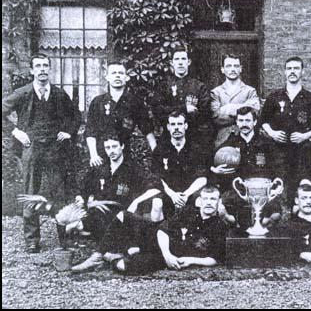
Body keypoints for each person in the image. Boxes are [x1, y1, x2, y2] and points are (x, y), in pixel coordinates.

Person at [2, 53, 81, 253]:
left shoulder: (58, 94)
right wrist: (16, 132)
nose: (42, 69)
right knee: (30, 192)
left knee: (59, 193)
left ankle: (65, 238)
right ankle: (32, 240)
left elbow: (75, 115)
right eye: (38, 66)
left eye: (45, 66)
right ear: (32, 70)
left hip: (55, 149)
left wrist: (68, 131)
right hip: (31, 147)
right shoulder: (23, 93)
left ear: (49, 69)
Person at [74, 185, 228, 275]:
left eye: (213, 199)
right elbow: (162, 230)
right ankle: (97, 256)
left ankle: (111, 257)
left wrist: (190, 260)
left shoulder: (220, 226)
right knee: (122, 215)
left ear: (219, 202)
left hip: (165, 258)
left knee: (123, 267)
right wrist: (167, 254)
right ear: (200, 201)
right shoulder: (188, 211)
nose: (209, 203)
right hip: (158, 242)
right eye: (206, 199)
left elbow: (214, 259)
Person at [211, 107, 281, 231]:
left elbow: (278, 166)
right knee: (228, 212)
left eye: (248, 120)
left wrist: (276, 185)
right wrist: (215, 169)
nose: (244, 124)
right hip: (237, 190)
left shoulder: (266, 143)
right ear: (237, 122)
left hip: (262, 190)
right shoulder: (230, 144)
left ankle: (262, 225)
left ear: (254, 122)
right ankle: (235, 223)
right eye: (241, 120)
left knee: (275, 214)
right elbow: (213, 161)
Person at [259, 56, 311, 198]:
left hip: (302, 150)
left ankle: (295, 213)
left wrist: (304, 136)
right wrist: (272, 133)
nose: (292, 72)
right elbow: (263, 121)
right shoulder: (274, 97)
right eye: (289, 69)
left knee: (299, 183)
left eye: (296, 68)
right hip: (277, 150)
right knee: (279, 183)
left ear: (302, 72)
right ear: (285, 72)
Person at [76, 132, 153, 243]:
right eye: (108, 147)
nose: (111, 151)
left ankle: (106, 251)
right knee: (72, 224)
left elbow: (151, 185)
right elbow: (83, 188)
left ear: (122, 146)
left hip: (122, 213)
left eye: (114, 146)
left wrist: (136, 202)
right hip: (98, 213)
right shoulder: (100, 169)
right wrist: (80, 197)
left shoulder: (132, 169)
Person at [85, 61, 156, 167]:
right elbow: (90, 132)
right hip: (101, 157)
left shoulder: (135, 102)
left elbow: (148, 130)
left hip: (125, 155)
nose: (117, 75)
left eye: (121, 73)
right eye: (113, 73)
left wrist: (157, 154)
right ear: (107, 77)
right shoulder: (97, 102)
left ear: (126, 77)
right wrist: (94, 155)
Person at [151, 46, 213, 168]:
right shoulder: (164, 86)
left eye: (183, 59)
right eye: (177, 59)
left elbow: (205, 113)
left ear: (188, 62)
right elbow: (157, 110)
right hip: (169, 138)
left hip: (193, 138)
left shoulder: (199, 87)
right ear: (171, 62)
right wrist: (184, 109)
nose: (180, 62)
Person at [151, 111, 208, 218]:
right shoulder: (160, 150)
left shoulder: (196, 149)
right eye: (173, 124)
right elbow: (156, 177)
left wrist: (186, 195)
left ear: (185, 126)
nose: (176, 128)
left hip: (190, 194)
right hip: (168, 194)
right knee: (156, 202)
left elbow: (202, 178)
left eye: (179, 124)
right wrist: (172, 195)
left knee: (201, 201)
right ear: (168, 127)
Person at [211, 53, 260, 147]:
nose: (232, 69)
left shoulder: (250, 91)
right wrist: (244, 108)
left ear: (240, 68)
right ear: (222, 69)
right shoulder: (216, 92)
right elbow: (215, 116)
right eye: (228, 66)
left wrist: (227, 108)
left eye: (236, 66)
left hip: (246, 140)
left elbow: (255, 111)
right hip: (223, 140)